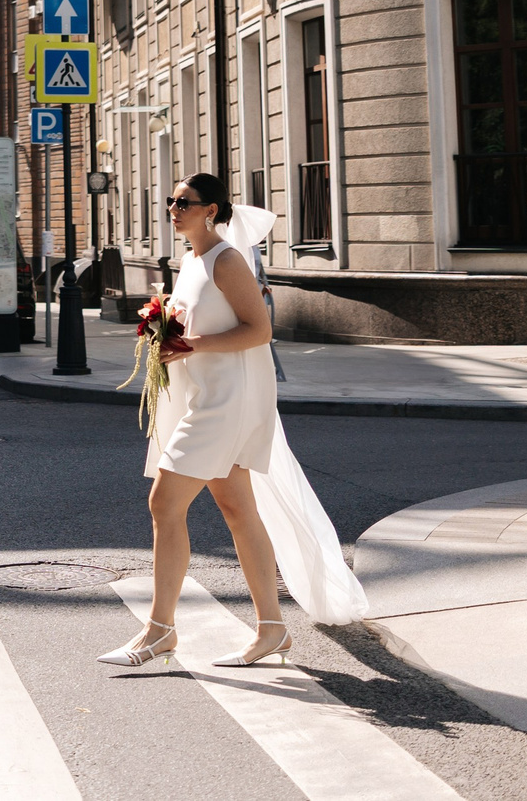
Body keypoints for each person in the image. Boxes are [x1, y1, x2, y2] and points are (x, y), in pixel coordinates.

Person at [97, 172, 364, 669]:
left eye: (184, 202)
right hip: (207, 395)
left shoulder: (226, 260)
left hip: (230, 401)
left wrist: (190, 345)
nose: (174, 208)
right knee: (239, 511)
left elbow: (258, 331)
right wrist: (163, 331)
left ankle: (159, 631)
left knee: (164, 503)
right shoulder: (190, 259)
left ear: (212, 210)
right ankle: (272, 629)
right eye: (171, 200)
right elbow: (193, 320)